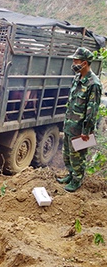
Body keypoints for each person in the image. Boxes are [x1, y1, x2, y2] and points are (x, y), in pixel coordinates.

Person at [58, 47, 101, 192]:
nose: (73, 63)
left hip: (80, 129)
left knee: (78, 156)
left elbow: (92, 111)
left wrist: (86, 131)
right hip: (70, 124)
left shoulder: (93, 84)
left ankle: (77, 180)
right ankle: (70, 175)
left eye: (76, 60)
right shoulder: (77, 78)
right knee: (67, 154)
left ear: (84, 63)